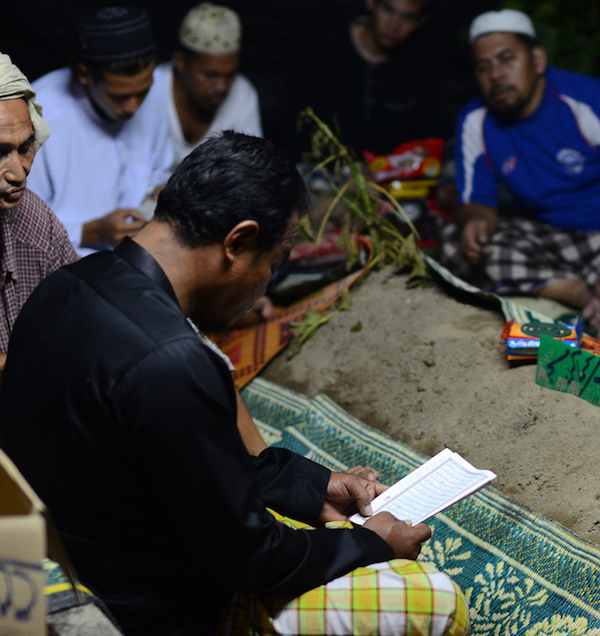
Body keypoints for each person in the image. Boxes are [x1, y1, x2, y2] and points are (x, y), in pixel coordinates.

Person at [0, 131, 468, 636]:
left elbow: (177, 460)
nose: (266, 283)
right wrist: (372, 542)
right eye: (275, 261)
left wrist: (313, 490)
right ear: (238, 242)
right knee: (436, 599)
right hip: (144, 608)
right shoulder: (172, 358)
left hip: (78, 560)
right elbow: (252, 558)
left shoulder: (66, 285)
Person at [439, 9, 600, 360]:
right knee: (456, 242)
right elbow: (475, 202)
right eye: (483, 67)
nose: (495, 75)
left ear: (538, 59)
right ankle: (582, 294)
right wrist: (476, 222)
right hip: (559, 234)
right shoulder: (475, 119)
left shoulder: (588, 100)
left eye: (507, 59)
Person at [28, 6, 173, 255]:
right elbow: (17, 226)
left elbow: (160, 168)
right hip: (69, 266)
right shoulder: (38, 120)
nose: (133, 107)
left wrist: (158, 193)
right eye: (118, 97)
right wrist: (90, 232)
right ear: (84, 74)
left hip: (142, 256)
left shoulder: (156, 87)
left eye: (142, 93)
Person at [290, 0, 450, 157]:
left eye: (408, 17)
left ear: (420, 22)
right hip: (324, 166)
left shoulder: (422, 62)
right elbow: (297, 123)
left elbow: (431, 133)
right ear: (371, 3)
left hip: (394, 169)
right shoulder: (324, 48)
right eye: (388, 10)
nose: (394, 25)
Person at [0, 53, 77, 378]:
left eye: (25, 148)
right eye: (0, 153)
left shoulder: (32, 216)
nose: (20, 173)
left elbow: (82, 310)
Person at [158, 2, 262, 165]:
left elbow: (250, 168)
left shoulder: (243, 94)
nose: (222, 87)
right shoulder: (150, 90)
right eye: (210, 75)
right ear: (180, 62)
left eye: (230, 75)